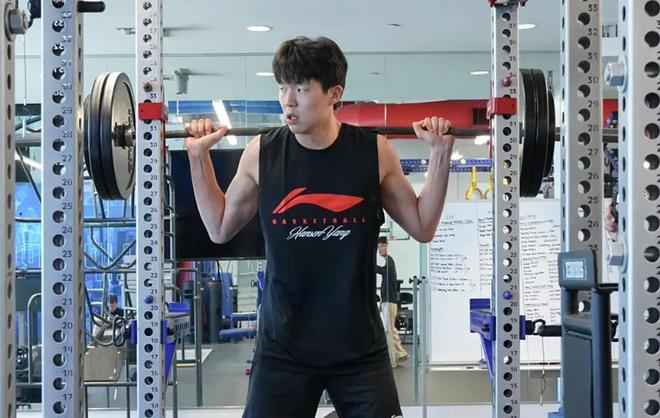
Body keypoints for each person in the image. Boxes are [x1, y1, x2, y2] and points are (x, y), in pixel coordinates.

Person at [185, 36, 454, 418]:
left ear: (334, 94)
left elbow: (423, 226)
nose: (287, 100)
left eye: (301, 88)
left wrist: (440, 154)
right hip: (283, 348)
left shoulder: (373, 152)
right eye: (282, 87)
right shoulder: (262, 153)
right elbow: (218, 227)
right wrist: (198, 158)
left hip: (358, 347)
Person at [376, 236, 409, 368]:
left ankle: (392, 360)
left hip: (389, 301)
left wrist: (368, 264)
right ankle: (400, 353)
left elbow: (380, 271)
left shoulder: (389, 261)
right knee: (391, 329)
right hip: (388, 300)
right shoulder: (387, 262)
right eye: (378, 247)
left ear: (386, 246)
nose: (379, 250)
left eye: (381, 247)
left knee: (388, 330)